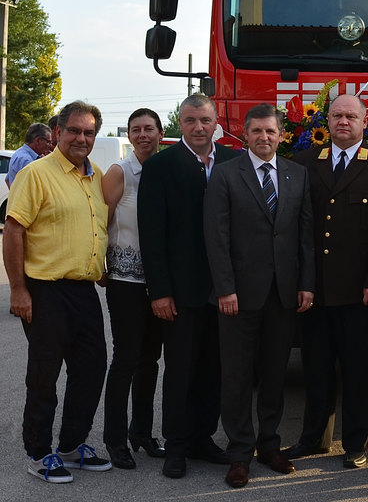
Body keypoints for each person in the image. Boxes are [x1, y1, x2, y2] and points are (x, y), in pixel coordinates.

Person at [203, 103, 315, 488]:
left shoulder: (297, 174)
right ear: (245, 135)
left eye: (270, 131)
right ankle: (238, 453)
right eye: (256, 131)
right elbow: (216, 238)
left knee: (273, 374)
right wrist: (225, 288)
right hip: (238, 296)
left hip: (283, 294)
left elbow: (305, 237)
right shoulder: (225, 175)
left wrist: (306, 284)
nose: (263, 138)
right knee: (235, 377)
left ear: (280, 135)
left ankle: (269, 446)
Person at [284, 94, 368, 468]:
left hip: (359, 291)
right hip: (313, 289)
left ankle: (355, 444)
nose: (343, 122)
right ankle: (314, 439)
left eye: (351, 116)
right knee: (316, 368)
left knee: (356, 370)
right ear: (327, 122)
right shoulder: (303, 163)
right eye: (337, 116)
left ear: (366, 122)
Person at [3, 100, 112, 484]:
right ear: (57, 132)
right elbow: (14, 230)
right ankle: (38, 452)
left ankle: (71, 445)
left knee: (91, 368)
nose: (82, 138)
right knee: (44, 375)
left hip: (83, 291)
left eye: (89, 132)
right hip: (45, 289)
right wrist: (18, 289)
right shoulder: (36, 174)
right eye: (74, 130)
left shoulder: (96, 174)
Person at [137, 93, 239, 479]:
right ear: (180, 123)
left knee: (213, 369)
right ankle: (176, 446)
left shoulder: (233, 161)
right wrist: (159, 291)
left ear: (216, 124)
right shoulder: (161, 167)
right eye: (191, 120)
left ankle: (202, 439)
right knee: (180, 370)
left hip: (223, 291)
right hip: (179, 293)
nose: (199, 127)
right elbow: (153, 235)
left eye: (205, 121)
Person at [103, 108, 165, 469]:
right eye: (136, 129)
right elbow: (102, 222)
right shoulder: (119, 172)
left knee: (150, 360)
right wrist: (100, 265)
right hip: (125, 280)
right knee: (125, 358)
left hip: (157, 282)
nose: (143, 135)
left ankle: (141, 431)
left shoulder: (164, 169)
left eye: (149, 128)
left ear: (160, 133)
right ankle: (115, 440)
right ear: (129, 134)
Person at [5, 122, 52, 188]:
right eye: (48, 142)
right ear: (38, 140)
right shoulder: (26, 161)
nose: (50, 146)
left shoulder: (19, 153)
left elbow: (7, 179)